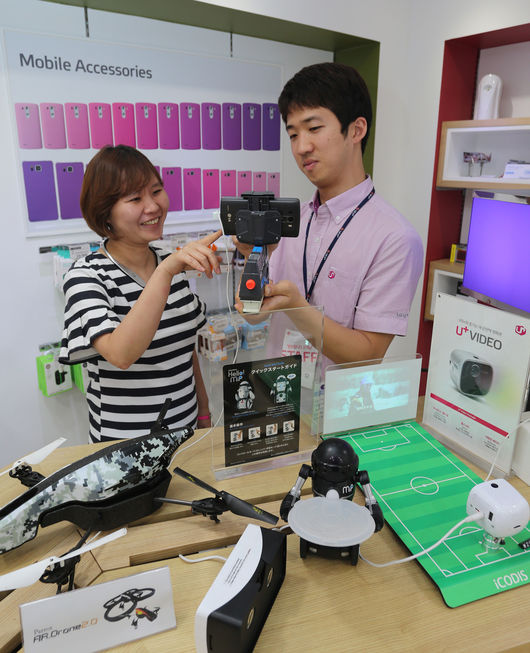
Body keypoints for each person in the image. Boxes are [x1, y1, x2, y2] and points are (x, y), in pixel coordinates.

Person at [236, 62, 423, 367]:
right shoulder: (290, 221)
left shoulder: (395, 238)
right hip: (276, 389)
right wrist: (252, 259)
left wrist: (297, 307)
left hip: (338, 397)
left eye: (313, 128)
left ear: (356, 130)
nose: (301, 147)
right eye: (293, 134)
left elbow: (367, 355)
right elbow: (253, 315)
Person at [60, 145, 222, 442]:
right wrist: (165, 272)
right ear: (105, 212)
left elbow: (187, 351)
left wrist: (203, 413)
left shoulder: (170, 265)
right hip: (123, 447)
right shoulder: (86, 276)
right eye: (135, 198)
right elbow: (121, 354)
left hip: (186, 437)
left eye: (156, 191)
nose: (153, 206)